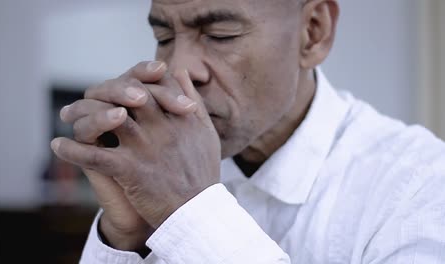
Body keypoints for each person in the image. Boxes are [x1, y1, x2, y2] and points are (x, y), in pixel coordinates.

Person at [50, 0, 445, 263]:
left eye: (221, 36)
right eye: (164, 38)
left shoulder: (420, 187)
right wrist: (125, 241)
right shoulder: (156, 180)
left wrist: (192, 213)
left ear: (313, 32)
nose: (180, 70)